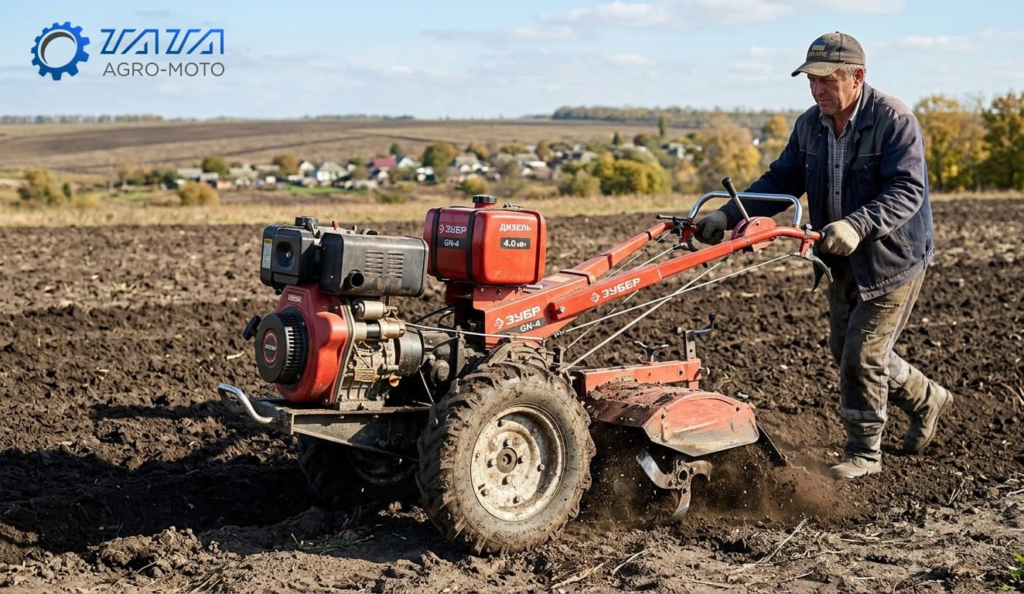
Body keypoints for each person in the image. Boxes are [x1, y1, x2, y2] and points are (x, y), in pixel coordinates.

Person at [694, 32, 953, 479]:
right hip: (837, 255)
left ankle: (864, 453)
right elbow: (780, 181)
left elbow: (908, 190)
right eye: (810, 80)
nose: (817, 90)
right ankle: (927, 398)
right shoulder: (810, 126)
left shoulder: (894, 120)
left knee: (863, 354)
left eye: (826, 80)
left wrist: (858, 225)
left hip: (892, 256)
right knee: (845, 350)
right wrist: (727, 213)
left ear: (858, 77)